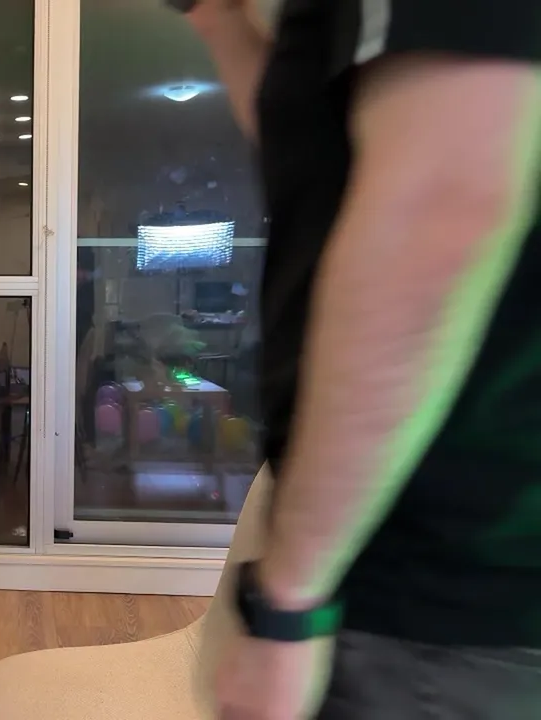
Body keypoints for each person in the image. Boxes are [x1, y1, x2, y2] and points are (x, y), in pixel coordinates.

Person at [178, 0, 541, 717]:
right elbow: (311, 162)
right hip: (432, 597)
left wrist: (290, 605)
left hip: (435, 604)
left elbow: (442, 205)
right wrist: (214, 15)